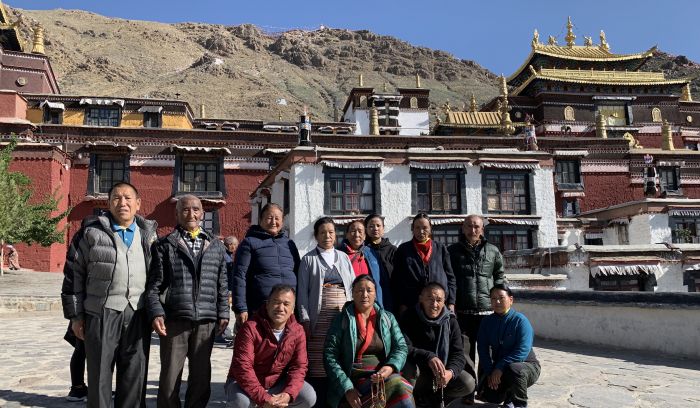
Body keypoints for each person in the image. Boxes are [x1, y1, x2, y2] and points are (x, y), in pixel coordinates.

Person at [61, 181, 157, 408]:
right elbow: (73, 274)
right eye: (116, 198)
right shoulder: (90, 233)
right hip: (101, 312)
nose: (122, 203)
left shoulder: (149, 236)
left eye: (127, 198)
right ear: (108, 203)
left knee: (135, 373)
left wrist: (157, 312)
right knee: (99, 374)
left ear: (138, 204)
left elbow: (158, 278)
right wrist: (75, 316)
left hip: (138, 312)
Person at [147, 194, 230, 408]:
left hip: (206, 320)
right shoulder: (165, 245)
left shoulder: (216, 246)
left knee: (201, 378)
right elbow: (154, 285)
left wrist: (223, 312)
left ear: (202, 213)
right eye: (185, 209)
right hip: (175, 319)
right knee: (169, 378)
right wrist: (157, 312)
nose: (191, 214)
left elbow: (221, 284)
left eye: (195, 209)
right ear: (176, 214)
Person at [324, 274, 414, 408]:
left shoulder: (387, 318)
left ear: (375, 294)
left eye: (369, 290)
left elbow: (401, 347)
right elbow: (329, 355)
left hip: (382, 375)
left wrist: (390, 367)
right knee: (397, 384)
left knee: (399, 385)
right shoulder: (342, 319)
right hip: (352, 378)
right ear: (352, 294)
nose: (364, 294)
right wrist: (347, 388)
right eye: (359, 290)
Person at [226, 284, 316, 408]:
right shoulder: (250, 328)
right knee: (241, 403)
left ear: (292, 309)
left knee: (308, 396)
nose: (280, 308)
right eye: (276, 302)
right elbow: (243, 368)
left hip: (276, 383)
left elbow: (299, 367)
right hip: (243, 384)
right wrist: (264, 398)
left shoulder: (298, 331)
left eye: (286, 304)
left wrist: (288, 394)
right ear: (267, 304)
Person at [296, 217, 355, 395]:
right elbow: (302, 293)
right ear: (316, 236)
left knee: (339, 352)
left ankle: (339, 394)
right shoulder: (308, 260)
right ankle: (318, 395)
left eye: (331, 232)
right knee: (318, 357)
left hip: (341, 315)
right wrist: (305, 319)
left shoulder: (344, 258)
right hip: (318, 318)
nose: (327, 236)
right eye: (322, 232)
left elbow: (352, 287)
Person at [400, 283, 475, 408]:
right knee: (408, 369)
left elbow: (458, 354)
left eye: (439, 300)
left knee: (468, 383)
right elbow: (403, 346)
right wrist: (428, 356)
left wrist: (450, 372)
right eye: (430, 299)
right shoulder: (409, 316)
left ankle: (433, 400)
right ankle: (412, 401)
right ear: (421, 298)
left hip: (441, 374)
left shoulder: (450, 321)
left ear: (444, 301)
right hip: (419, 373)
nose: (434, 304)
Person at [448, 215, 506, 368]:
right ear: (463, 228)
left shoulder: (493, 251)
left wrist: (500, 300)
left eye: (476, 227)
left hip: (487, 312)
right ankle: (468, 389)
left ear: (482, 229)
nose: (472, 230)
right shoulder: (452, 251)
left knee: (487, 353)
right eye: (468, 226)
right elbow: (449, 279)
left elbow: (499, 277)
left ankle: (485, 389)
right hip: (463, 312)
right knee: (464, 353)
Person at [233, 203, 300, 330]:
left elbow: (298, 272)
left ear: (282, 221)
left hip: (287, 308)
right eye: (269, 218)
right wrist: (240, 307)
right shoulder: (249, 243)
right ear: (260, 220)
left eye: (277, 218)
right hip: (260, 307)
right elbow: (239, 276)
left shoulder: (290, 244)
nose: (273, 222)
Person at [477, 285, 540, 408]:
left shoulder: (520, 321)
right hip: (500, 369)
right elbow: (482, 349)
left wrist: (500, 367)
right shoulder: (486, 322)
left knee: (514, 369)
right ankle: (508, 395)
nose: (497, 302)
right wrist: (490, 372)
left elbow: (522, 351)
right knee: (491, 397)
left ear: (511, 300)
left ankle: (519, 403)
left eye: (501, 298)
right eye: (493, 299)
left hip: (525, 366)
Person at [392, 213, 456, 316]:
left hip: (437, 304)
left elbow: (450, 278)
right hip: (412, 304)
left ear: (430, 229)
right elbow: (397, 280)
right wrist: (402, 303)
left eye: (425, 228)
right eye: (417, 228)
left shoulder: (440, 248)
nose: (421, 231)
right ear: (412, 229)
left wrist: (451, 302)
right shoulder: (403, 250)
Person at [338, 219, 391, 309]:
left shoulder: (371, 253)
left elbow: (380, 281)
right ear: (346, 234)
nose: (357, 234)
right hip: (348, 302)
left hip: (370, 302)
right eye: (353, 231)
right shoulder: (339, 254)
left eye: (360, 231)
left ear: (365, 235)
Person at [217, 235, 239, 344]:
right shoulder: (225, 256)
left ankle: (223, 332)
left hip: (225, 288)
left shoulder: (226, 255)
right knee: (222, 310)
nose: (235, 248)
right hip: (224, 288)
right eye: (235, 245)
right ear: (230, 245)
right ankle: (219, 334)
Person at [364, 213, 397, 279]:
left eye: (378, 225)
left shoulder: (392, 250)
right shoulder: (362, 249)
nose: (375, 228)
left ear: (383, 228)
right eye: (371, 226)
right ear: (366, 229)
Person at [64, 323, 87, 402]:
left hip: (83, 316)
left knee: (81, 349)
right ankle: (78, 389)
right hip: (87, 316)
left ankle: (78, 388)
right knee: (81, 349)